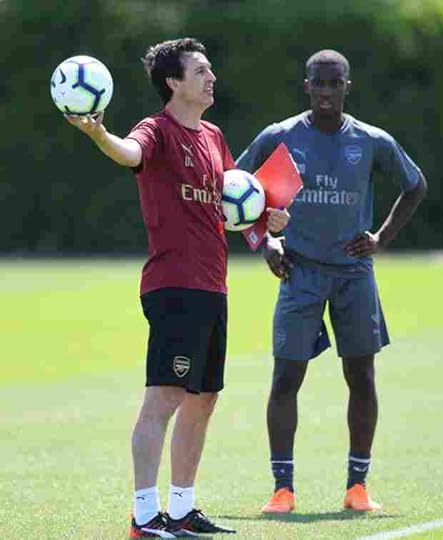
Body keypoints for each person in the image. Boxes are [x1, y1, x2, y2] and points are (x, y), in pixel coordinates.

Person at [66, 38, 289, 538]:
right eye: (201, 70)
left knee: (203, 397)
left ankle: (183, 509)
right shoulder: (156, 130)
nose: (212, 78)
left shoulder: (213, 135)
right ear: (173, 82)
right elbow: (128, 153)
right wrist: (99, 132)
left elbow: (235, 202)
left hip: (212, 285)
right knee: (164, 397)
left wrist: (267, 220)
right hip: (174, 285)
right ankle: (145, 517)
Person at [236, 49, 427, 514]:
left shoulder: (371, 140)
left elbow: (415, 185)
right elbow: (235, 189)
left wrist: (381, 238)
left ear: (347, 86)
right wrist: (266, 243)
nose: (325, 91)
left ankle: (357, 486)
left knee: (361, 376)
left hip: (354, 274)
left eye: (334, 83)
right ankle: (283, 490)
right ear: (306, 86)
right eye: (318, 83)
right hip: (299, 271)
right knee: (286, 377)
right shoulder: (281, 136)